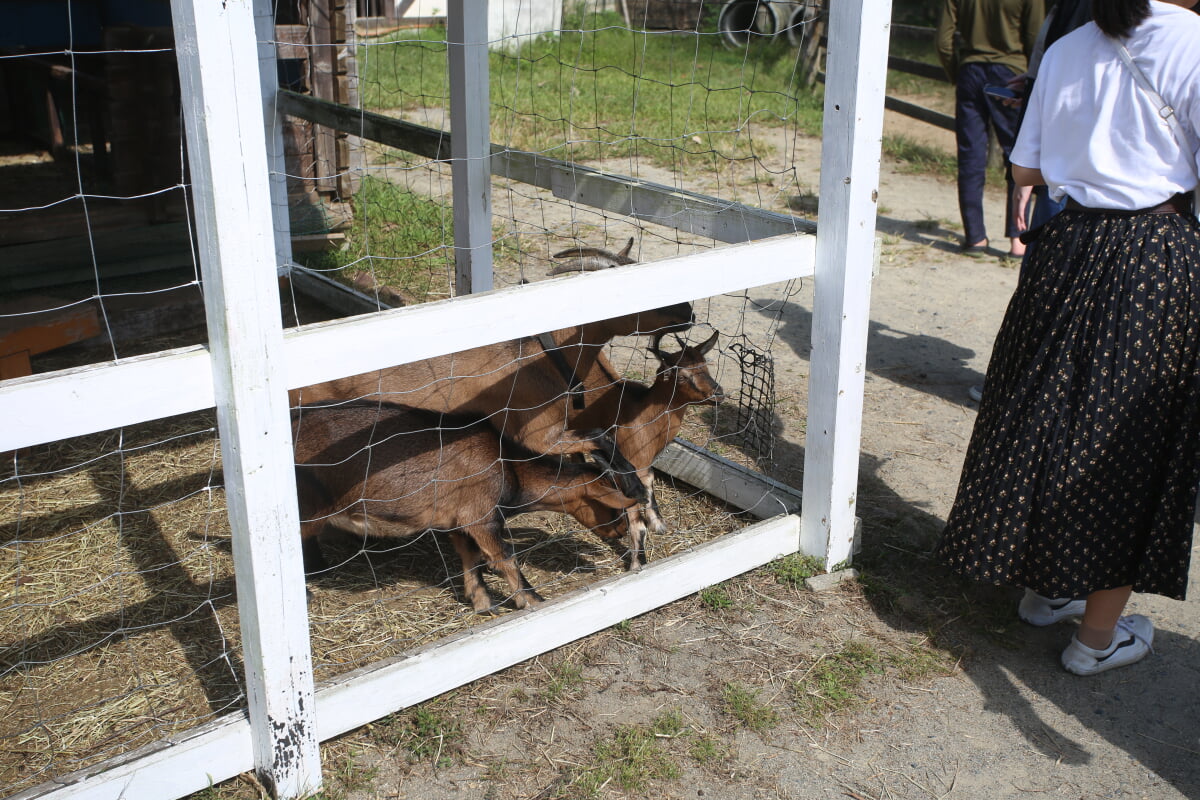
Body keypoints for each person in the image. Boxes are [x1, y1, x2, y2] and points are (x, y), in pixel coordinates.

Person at [937, 0, 1200, 676]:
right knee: (1132, 446)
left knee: (1048, 417)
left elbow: (1028, 171)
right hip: (1153, 257)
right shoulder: (1193, 41)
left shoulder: (1069, 45)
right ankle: (1096, 640)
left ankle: (1045, 590)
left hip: (1067, 248)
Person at [936, 0, 1044, 257]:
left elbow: (943, 40)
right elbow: (1035, 39)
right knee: (1018, 154)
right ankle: (1018, 239)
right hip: (1011, 75)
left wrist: (957, 73)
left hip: (970, 72)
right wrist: (1032, 83)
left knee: (970, 154)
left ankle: (975, 237)